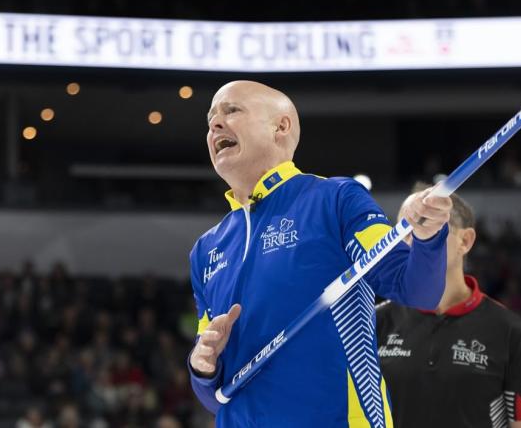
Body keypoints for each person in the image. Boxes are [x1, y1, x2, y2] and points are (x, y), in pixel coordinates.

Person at [186, 80, 452, 427]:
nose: (215, 124)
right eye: (210, 119)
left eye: (231, 110)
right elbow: (214, 398)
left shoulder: (335, 199)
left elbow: (416, 290)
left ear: (281, 127)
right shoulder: (207, 249)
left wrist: (429, 237)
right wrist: (202, 367)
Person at [376, 184, 521, 428]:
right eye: (405, 230)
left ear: (465, 241)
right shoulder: (375, 323)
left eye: (429, 225)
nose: (416, 239)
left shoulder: (513, 334)